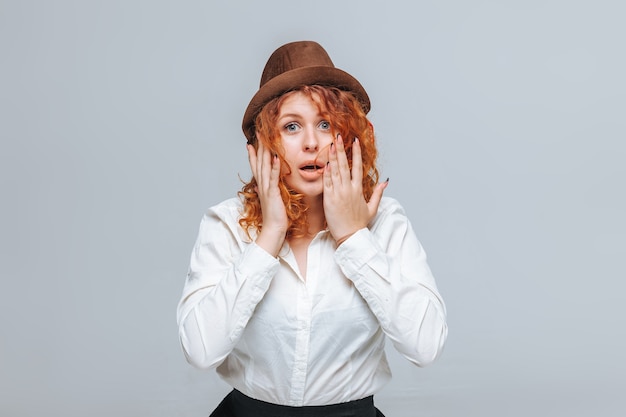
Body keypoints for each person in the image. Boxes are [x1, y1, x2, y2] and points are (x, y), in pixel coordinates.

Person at [176, 41, 448, 417]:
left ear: (348, 135)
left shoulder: (384, 220)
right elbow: (200, 351)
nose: (311, 143)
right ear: (263, 144)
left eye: (325, 124)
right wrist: (269, 236)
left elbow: (427, 346)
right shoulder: (227, 223)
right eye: (291, 127)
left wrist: (355, 238)